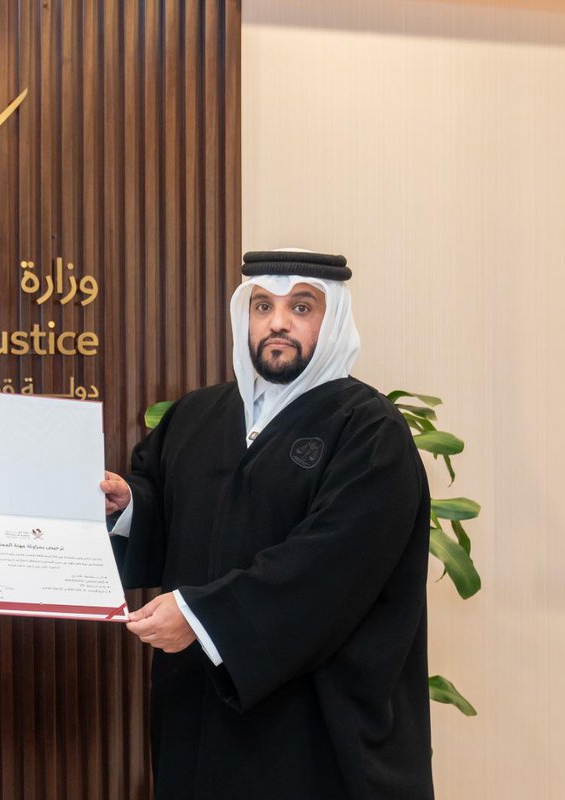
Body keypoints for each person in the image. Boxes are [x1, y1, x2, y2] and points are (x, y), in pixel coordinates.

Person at [101, 250, 434, 799]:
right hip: (198, 710)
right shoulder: (197, 415)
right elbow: (167, 505)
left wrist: (203, 616)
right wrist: (130, 506)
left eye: (300, 306)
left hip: (311, 727)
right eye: (263, 306)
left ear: (331, 323)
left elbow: (331, 567)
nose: (277, 322)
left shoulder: (369, 430)